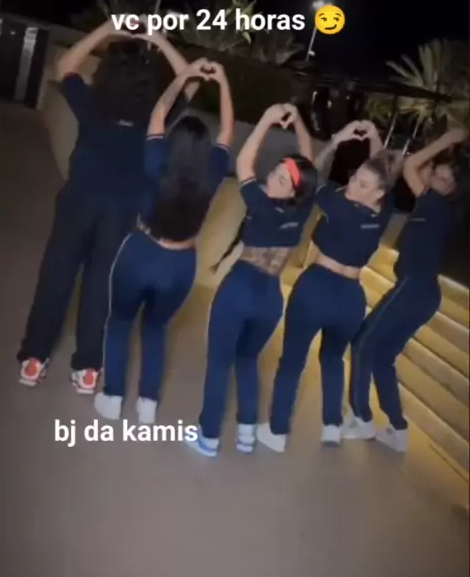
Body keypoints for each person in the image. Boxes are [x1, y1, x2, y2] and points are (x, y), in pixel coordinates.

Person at [18, 19, 198, 393]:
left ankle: (34, 359)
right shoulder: (155, 113)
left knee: (56, 276)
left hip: (79, 201)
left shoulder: (92, 104)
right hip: (123, 209)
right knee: (102, 284)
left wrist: (108, 28)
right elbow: (191, 81)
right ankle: (87, 368)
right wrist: (157, 39)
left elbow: (64, 66)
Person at [94, 59, 234, 423]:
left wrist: (186, 76)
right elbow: (228, 131)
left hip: (141, 252)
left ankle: (112, 397)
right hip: (181, 264)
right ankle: (148, 404)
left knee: (120, 321)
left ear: (172, 143)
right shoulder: (212, 172)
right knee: (156, 328)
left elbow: (160, 110)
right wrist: (222, 83)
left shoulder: (157, 160)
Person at [257, 120, 400, 451]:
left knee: (292, 361)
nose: (352, 185)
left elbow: (308, 174)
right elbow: (384, 174)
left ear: (377, 192)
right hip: (351, 300)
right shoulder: (383, 210)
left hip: (317, 287)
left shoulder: (339, 206)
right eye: (354, 177)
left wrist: (336, 140)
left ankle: (277, 432)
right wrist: (375, 138)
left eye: (362, 184)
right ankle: (332, 426)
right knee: (333, 359)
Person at [187, 104, 318, 457]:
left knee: (219, 363)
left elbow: (244, 161)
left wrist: (266, 119)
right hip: (270, 300)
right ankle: (246, 433)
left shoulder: (261, 203)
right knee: (247, 361)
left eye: (281, 179)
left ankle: (208, 437)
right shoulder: (302, 208)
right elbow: (308, 164)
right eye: (275, 172)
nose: (272, 178)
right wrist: (298, 120)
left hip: (240, 290)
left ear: (292, 191)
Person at [343, 126, 468, 453]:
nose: (434, 179)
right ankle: (398, 429)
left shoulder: (434, 203)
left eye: (442, 178)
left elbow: (411, 165)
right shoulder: (436, 207)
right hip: (423, 293)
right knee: (383, 357)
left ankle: (361, 418)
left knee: (362, 343)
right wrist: (441, 149)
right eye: (435, 175)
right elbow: (420, 167)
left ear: (451, 188)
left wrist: (446, 140)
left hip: (414, 286)